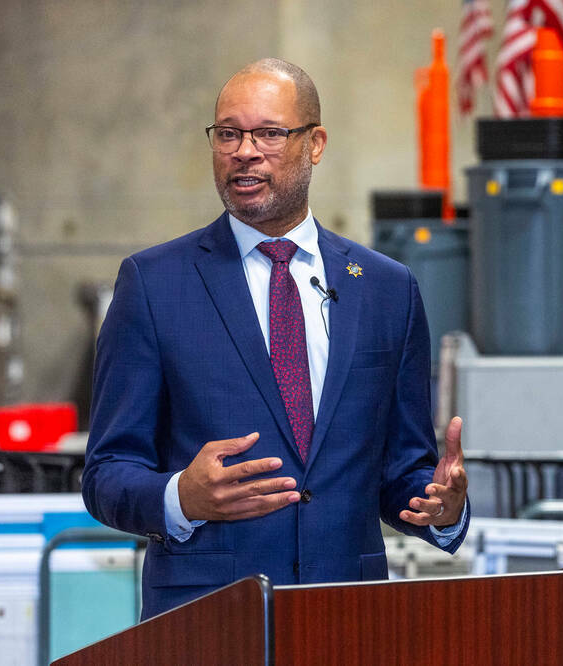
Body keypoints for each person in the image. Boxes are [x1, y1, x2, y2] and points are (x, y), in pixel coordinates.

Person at [81, 58, 469, 620]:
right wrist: (180, 498)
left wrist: (440, 505)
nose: (244, 151)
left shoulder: (387, 288)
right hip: (206, 620)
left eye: (268, 133)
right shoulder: (154, 283)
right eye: (228, 134)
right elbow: (107, 472)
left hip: (349, 618)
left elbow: (400, 470)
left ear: (315, 144)